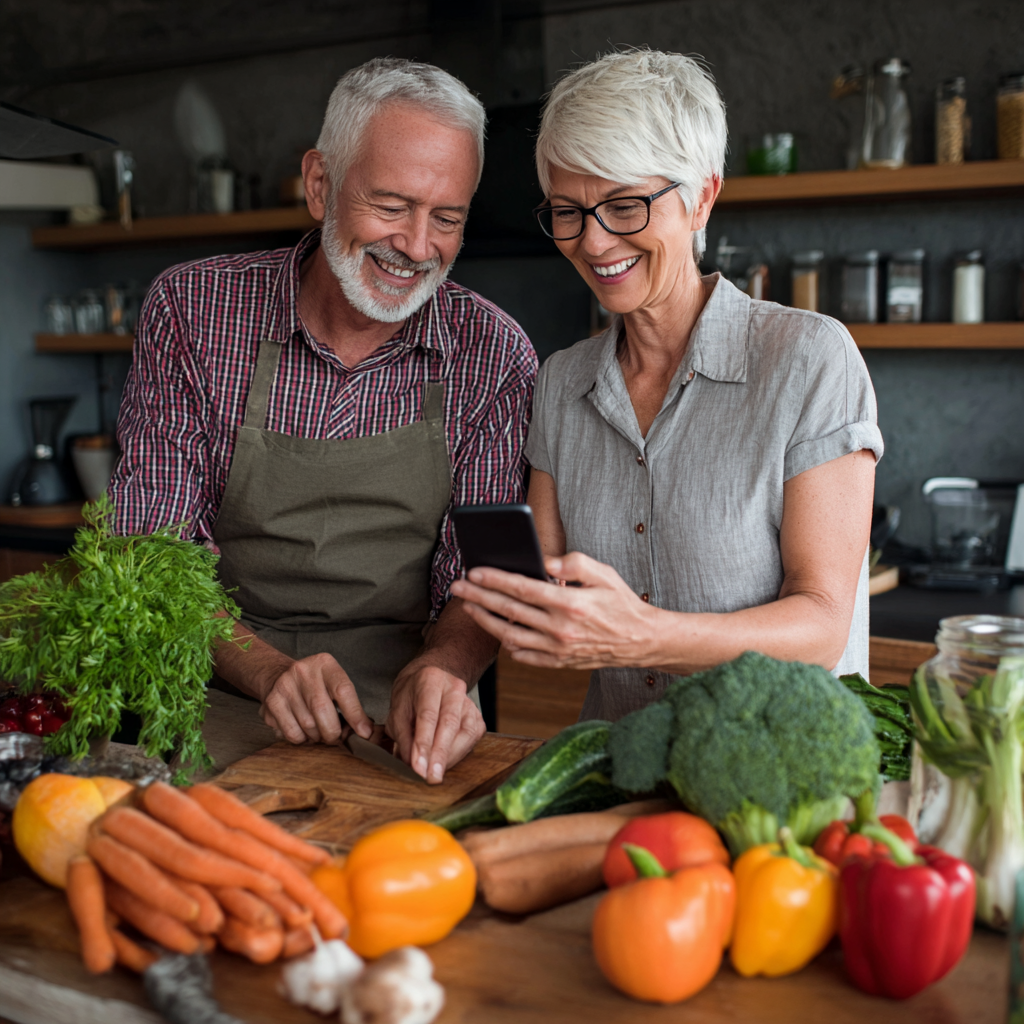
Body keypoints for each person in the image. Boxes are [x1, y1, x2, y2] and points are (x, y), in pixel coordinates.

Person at [110, 58, 537, 780]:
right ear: (320, 185)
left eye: (447, 218)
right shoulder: (194, 311)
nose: (417, 245)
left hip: (398, 726)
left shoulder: (494, 355)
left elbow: (485, 577)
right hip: (206, 700)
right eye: (393, 204)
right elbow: (152, 553)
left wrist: (445, 668)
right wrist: (271, 672)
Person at [451, 49, 883, 721]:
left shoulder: (807, 360)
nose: (593, 243)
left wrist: (644, 636)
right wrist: (497, 624)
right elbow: (545, 585)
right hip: (622, 769)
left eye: (624, 206)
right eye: (567, 211)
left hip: (784, 783)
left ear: (701, 196)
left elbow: (823, 626)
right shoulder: (563, 383)